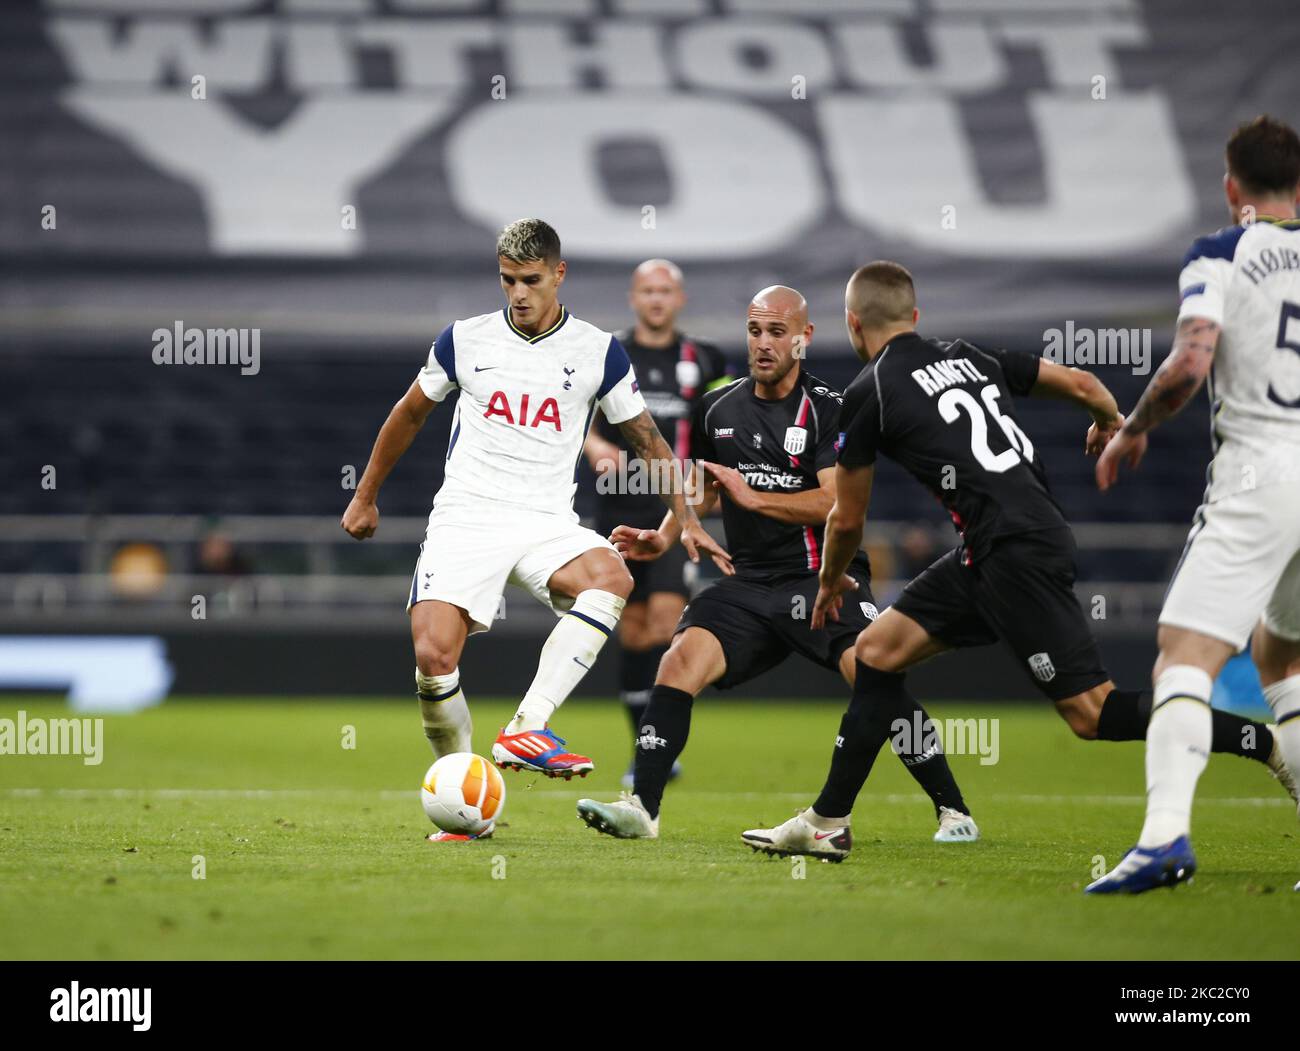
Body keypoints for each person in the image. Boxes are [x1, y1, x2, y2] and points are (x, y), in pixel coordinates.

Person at [741, 261, 1295, 863]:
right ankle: (827, 821)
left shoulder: (867, 390)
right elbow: (1084, 383)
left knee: (1093, 713)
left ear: (852, 323)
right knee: (875, 653)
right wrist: (1110, 421)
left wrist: (828, 584)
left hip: (1014, 552)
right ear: (916, 316)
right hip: (994, 548)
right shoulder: (967, 354)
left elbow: (846, 519)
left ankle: (1262, 742)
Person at [340, 218, 729, 842]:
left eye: (530, 280)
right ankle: (463, 797)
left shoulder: (597, 350)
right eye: (507, 280)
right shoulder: (465, 340)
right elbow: (409, 414)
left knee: (611, 575)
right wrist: (365, 496)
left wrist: (683, 521)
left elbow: (647, 440)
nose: (518, 293)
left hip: (547, 520)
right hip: (467, 516)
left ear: (558, 274)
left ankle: (529, 724)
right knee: (434, 661)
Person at [576, 285, 978, 843]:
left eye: (777, 332)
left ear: (804, 338)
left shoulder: (833, 408)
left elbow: (837, 502)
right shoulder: (719, 406)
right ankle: (643, 809)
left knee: (873, 675)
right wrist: (665, 535)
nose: (763, 344)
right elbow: (707, 487)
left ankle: (953, 810)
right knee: (678, 661)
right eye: (754, 330)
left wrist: (754, 497)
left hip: (823, 581)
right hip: (749, 584)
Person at [1087, 116, 1300, 893]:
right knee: (1283, 658)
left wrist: (1132, 429)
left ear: (1231, 186)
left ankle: (1164, 838)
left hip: (1260, 472)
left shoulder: (1221, 250)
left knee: (1184, 651)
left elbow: (1191, 359)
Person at [582, 259, 731, 787]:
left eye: (665, 290)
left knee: (667, 624)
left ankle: (656, 746)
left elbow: (727, 421)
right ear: (633, 297)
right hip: (617, 512)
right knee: (633, 631)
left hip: (675, 514)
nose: (656, 299)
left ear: (680, 298)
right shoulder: (606, 352)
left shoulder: (706, 357)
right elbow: (578, 420)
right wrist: (599, 447)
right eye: (647, 290)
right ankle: (642, 747)